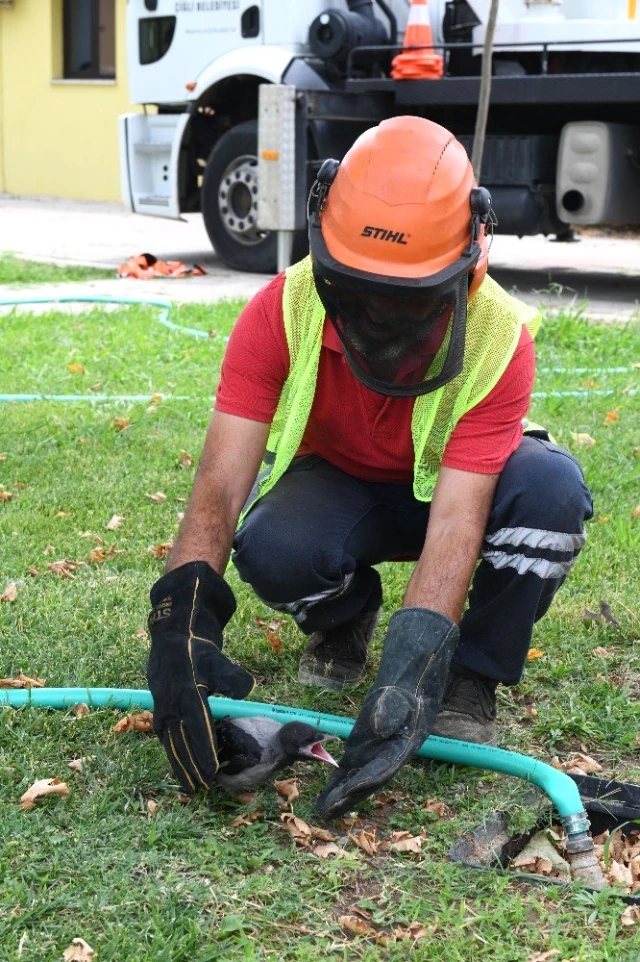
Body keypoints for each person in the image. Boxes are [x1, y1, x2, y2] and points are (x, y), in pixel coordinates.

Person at [146, 116, 593, 819]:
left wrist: (410, 679)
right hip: (346, 485)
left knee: (551, 496)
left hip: (454, 490)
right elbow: (220, 484)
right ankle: (345, 619)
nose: (381, 319)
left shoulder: (498, 335)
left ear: (468, 265)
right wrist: (182, 621)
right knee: (271, 544)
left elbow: (454, 524)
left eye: (407, 300)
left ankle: (471, 677)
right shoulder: (281, 309)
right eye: (360, 293)